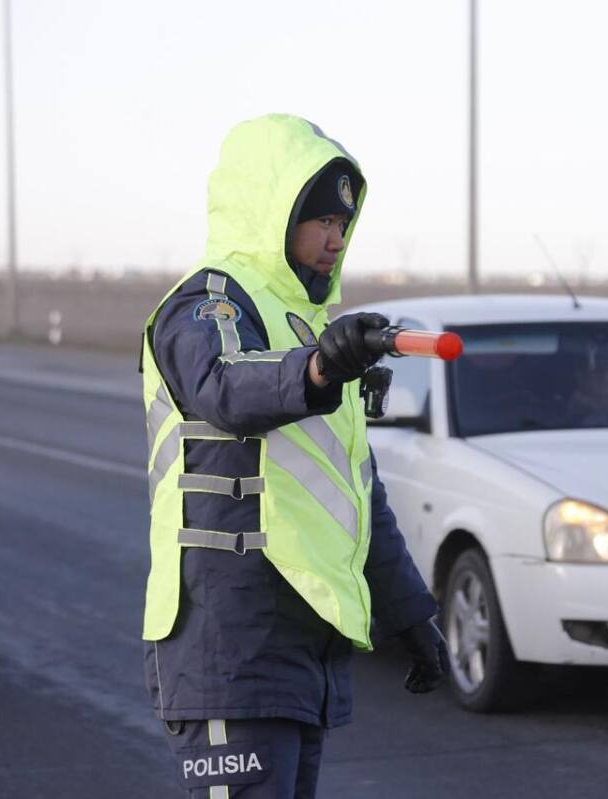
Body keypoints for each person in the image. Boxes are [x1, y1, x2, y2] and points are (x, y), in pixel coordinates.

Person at [138, 114, 448, 798]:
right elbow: (222, 386)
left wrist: (411, 613)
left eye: (345, 222)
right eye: (319, 220)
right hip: (228, 642)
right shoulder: (207, 303)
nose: (336, 238)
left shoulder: (307, 325)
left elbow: (355, 495)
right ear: (270, 212)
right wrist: (317, 369)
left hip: (300, 647)